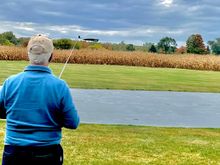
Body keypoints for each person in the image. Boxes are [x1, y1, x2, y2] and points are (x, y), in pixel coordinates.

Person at [0, 34, 80, 165]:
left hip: (14, 152)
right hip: (47, 153)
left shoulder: (10, 82)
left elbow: (2, 111)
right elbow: (72, 122)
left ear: (28, 54)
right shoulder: (60, 86)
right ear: (51, 56)